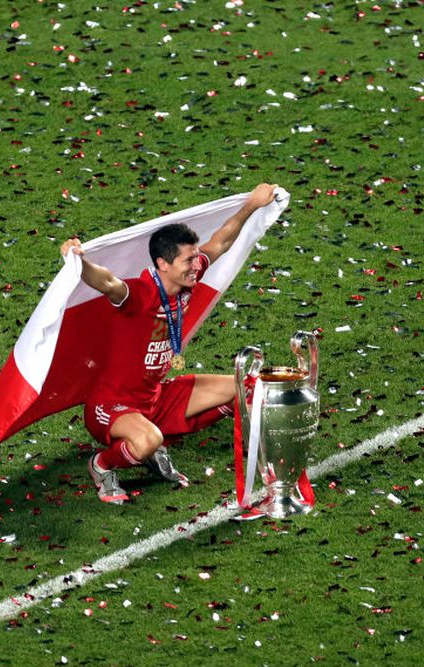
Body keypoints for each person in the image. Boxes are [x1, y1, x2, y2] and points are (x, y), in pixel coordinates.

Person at [61, 183, 279, 503]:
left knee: (247, 385)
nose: (196, 265)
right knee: (149, 440)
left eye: (194, 258)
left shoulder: (186, 279)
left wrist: (252, 204)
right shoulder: (138, 294)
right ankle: (103, 465)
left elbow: (220, 242)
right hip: (112, 407)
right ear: (163, 264)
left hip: (155, 398)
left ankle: (156, 443)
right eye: (188, 260)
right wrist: (78, 262)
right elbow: (106, 282)